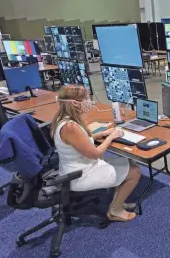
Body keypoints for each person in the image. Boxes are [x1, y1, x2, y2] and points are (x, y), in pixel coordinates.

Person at [50, 85, 141, 222]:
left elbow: (80, 141)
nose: (89, 102)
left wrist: (103, 134)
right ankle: (115, 210)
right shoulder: (70, 127)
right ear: (75, 103)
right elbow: (96, 153)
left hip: (76, 168)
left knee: (129, 163)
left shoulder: (63, 119)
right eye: (86, 99)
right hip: (81, 175)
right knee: (134, 171)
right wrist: (111, 137)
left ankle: (118, 201)